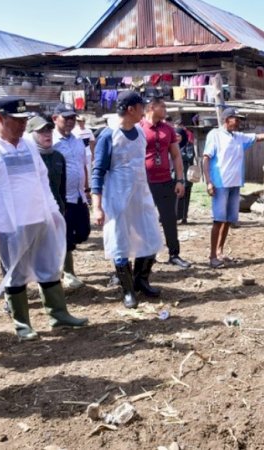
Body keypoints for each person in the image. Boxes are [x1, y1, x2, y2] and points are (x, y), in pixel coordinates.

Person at [0, 97, 88, 341]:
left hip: (39, 217)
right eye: (16, 121)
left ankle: (58, 315)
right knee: (15, 271)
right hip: (8, 224)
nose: (22, 126)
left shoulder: (27, 144)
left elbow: (42, 179)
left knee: (50, 266)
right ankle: (22, 324)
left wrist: (54, 212)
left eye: (23, 121)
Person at [92, 92, 163, 308]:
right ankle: (128, 290)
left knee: (150, 237)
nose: (145, 111)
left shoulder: (140, 132)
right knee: (120, 242)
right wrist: (97, 207)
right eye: (142, 107)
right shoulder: (108, 135)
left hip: (141, 196)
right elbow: (98, 171)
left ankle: (142, 280)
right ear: (131, 109)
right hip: (118, 198)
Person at [203, 108, 264, 268]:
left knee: (228, 221)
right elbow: (206, 158)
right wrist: (209, 182)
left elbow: (258, 137)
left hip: (235, 183)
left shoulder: (239, 137)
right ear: (227, 119)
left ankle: (220, 252)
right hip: (220, 184)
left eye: (239, 119)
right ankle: (212, 257)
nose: (238, 122)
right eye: (235, 119)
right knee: (218, 220)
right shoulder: (215, 135)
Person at [140, 97, 191, 268]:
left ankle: (174, 254)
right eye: (163, 106)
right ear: (152, 107)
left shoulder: (168, 129)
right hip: (144, 183)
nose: (166, 109)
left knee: (170, 218)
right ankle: (147, 255)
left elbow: (176, 156)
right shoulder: (138, 128)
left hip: (165, 180)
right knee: (145, 220)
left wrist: (179, 180)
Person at [52, 103, 91, 288]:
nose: (70, 121)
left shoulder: (76, 140)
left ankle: (59, 259)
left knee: (83, 232)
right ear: (55, 118)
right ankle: (68, 273)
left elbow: (82, 165)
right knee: (64, 237)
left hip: (79, 196)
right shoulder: (51, 142)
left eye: (72, 118)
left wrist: (87, 188)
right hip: (62, 198)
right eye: (65, 118)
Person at [28, 115, 67, 215]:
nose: (47, 134)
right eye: (41, 131)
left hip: (56, 211)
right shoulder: (28, 158)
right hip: (35, 214)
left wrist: (62, 208)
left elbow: (62, 189)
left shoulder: (58, 157)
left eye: (49, 130)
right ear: (31, 134)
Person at [173, 119, 195, 224]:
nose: (177, 138)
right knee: (175, 196)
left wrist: (178, 154)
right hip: (174, 175)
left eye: (179, 136)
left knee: (185, 196)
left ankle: (184, 217)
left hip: (186, 174)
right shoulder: (171, 145)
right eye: (175, 136)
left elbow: (190, 156)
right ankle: (175, 216)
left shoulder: (188, 145)